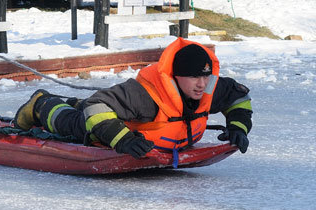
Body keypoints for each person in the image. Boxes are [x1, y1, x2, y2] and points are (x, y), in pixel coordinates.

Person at [14, 38, 252, 158]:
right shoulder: (145, 96)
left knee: (91, 107)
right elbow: (98, 105)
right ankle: (40, 104)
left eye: (206, 77)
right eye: (193, 77)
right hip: (109, 129)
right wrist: (123, 140)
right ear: (176, 76)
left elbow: (238, 98)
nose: (202, 84)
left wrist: (238, 128)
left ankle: (72, 104)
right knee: (74, 121)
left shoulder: (208, 87)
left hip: (123, 112)